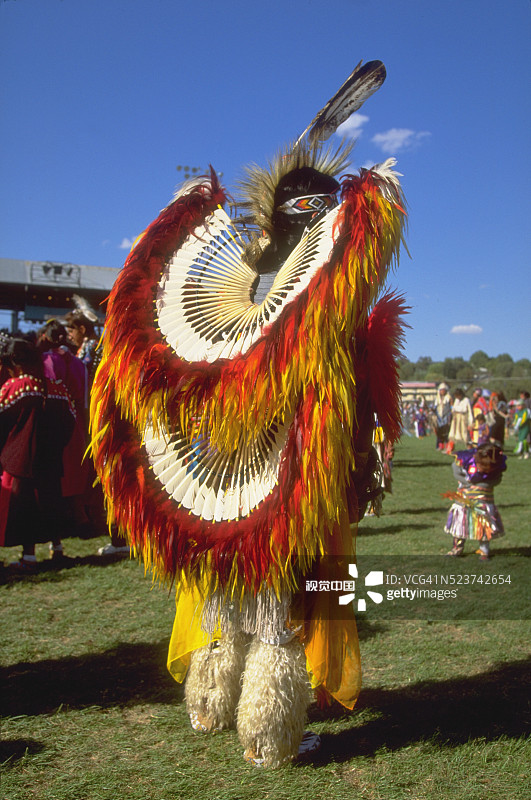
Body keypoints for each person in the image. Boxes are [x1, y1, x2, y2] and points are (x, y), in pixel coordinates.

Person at [90, 60, 405, 767]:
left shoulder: (229, 310)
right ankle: (266, 740)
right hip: (279, 478)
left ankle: (208, 704)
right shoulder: (319, 312)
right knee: (270, 611)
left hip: (212, 480)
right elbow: (342, 403)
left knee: (219, 597)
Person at [0, 338, 76, 572]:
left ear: (15, 363)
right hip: (51, 459)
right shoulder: (58, 388)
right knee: (51, 502)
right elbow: (70, 421)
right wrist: (56, 446)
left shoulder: (15, 386)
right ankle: (58, 547)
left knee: (25, 506)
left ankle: (29, 556)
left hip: (22, 459)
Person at [444, 442, 506, 560]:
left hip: (484, 504)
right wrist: (467, 482)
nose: (486, 471)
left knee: (484, 529)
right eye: (483, 468)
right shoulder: (466, 462)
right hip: (464, 502)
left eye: (489, 469)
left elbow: (497, 479)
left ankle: (484, 551)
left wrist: (485, 483)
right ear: (477, 461)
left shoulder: (495, 469)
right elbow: (455, 468)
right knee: (459, 526)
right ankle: (457, 548)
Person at [446, 388, 473, 453]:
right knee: (452, 434)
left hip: (463, 420)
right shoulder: (457, 400)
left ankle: (470, 450)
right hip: (456, 420)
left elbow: (469, 411)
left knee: (466, 436)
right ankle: (449, 449)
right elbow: (453, 409)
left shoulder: (466, 400)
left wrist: (471, 423)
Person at [432, 382, 452, 450]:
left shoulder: (449, 398)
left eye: (444, 390)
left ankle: (447, 446)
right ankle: (440, 445)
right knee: (439, 432)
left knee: (446, 432)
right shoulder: (437, 399)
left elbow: (452, 407)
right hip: (439, 417)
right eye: (441, 390)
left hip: (447, 417)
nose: (442, 392)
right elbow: (434, 407)